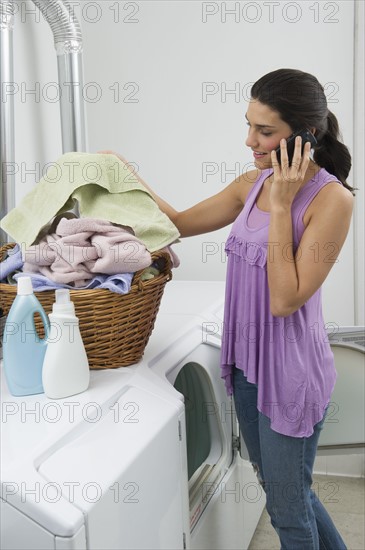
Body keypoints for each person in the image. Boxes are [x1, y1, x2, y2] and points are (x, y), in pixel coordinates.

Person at [103, 68, 354, 549]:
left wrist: (281, 207)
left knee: (288, 513)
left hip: (290, 374)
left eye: (265, 131)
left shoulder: (331, 201)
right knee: (287, 494)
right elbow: (175, 223)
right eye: (249, 125)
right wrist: (119, 169)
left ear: (306, 135)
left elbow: (285, 299)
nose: (250, 141)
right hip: (245, 366)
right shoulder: (250, 184)